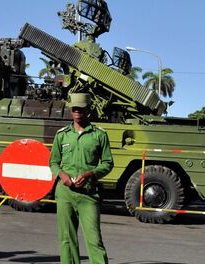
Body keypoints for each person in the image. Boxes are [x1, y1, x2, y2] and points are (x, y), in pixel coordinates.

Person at [49, 93, 114, 264]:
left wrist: (90, 174)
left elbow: (108, 163)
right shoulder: (62, 135)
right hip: (65, 193)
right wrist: (62, 175)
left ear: (88, 110)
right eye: (75, 108)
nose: (78, 111)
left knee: (94, 240)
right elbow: (53, 162)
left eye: (81, 108)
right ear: (71, 110)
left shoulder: (99, 135)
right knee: (67, 239)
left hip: (89, 194)